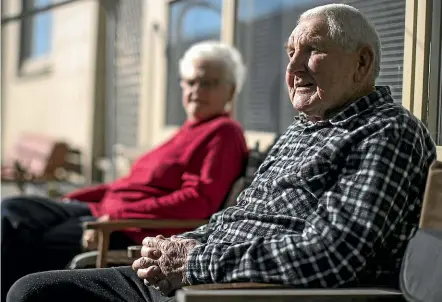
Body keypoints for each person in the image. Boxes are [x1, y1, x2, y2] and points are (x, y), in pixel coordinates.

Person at [7, 3, 437, 302]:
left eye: (313, 50)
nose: (293, 68)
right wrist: (179, 244)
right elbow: (236, 216)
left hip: (237, 292)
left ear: (362, 63)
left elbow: (332, 255)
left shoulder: (386, 131)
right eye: (291, 52)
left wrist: (195, 260)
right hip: (198, 275)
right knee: (32, 287)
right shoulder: (303, 130)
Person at [2, 41, 249, 301]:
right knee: (14, 208)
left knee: (24, 235)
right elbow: (129, 184)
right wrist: (77, 198)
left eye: (207, 83)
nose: (196, 90)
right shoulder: (189, 129)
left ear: (230, 90)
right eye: (189, 82)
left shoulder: (223, 133)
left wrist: (115, 216)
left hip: (126, 226)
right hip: (104, 210)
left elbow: (198, 201)